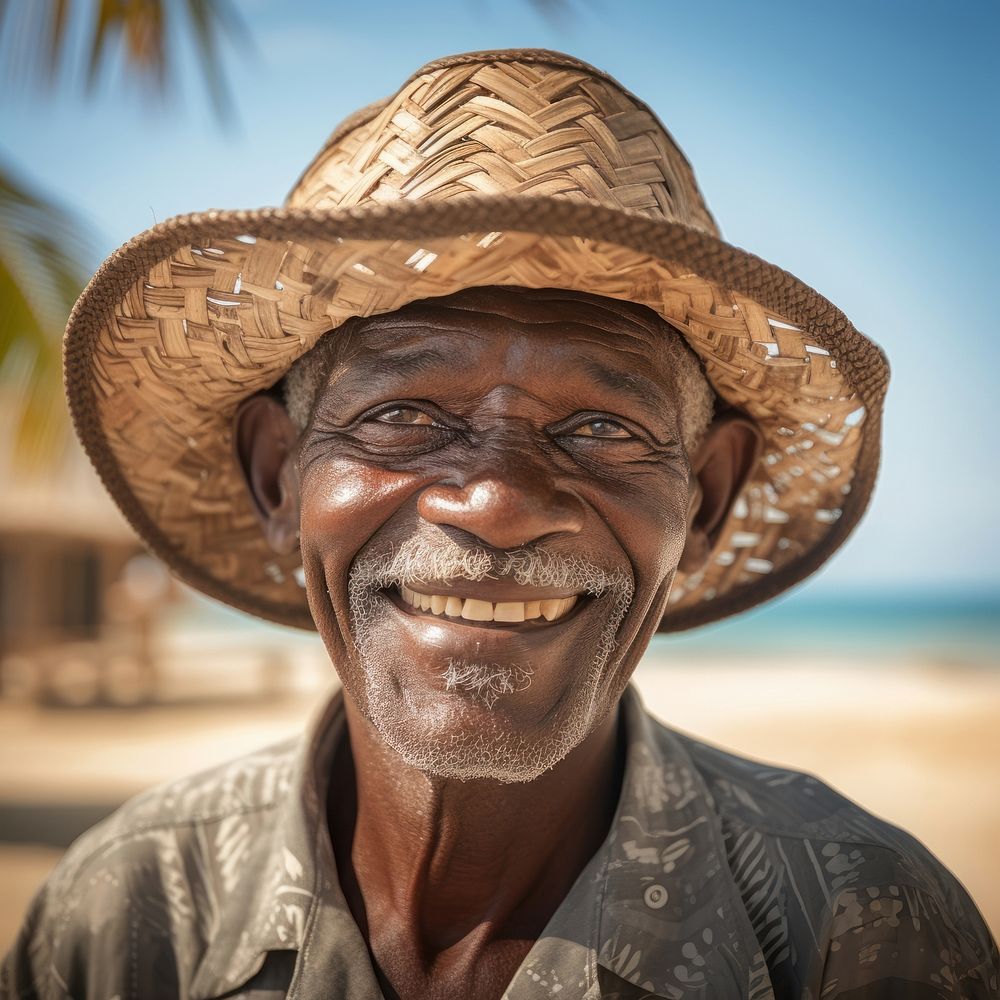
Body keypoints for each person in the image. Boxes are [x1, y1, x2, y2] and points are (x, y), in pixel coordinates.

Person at [2, 49, 997, 1000]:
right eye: (403, 415)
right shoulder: (121, 916)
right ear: (276, 476)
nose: (497, 501)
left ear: (705, 499)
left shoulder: (859, 928)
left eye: (601, 426)